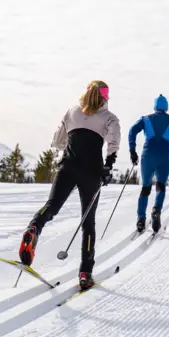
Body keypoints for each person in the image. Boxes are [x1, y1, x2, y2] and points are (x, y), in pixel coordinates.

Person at [18, 80, 121, 290]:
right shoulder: (109, 118)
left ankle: (33, 229)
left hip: (68, 167)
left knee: (52, 206)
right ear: (105, 97)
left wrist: (74, 142)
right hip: (91, 172)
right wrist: (109, 166)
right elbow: (113, 142)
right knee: (88, 222)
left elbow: (57, 142)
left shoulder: (72, 112)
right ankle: (85, 273)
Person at [128, 94, 169, 234]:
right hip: (164, 157)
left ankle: (141, 219)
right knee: (161, 186)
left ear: (155, 106)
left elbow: (132, 131)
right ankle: (156, 210)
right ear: (166, 107)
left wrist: (132, 150)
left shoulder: (145, 119)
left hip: (147, 156)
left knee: (146, 187)